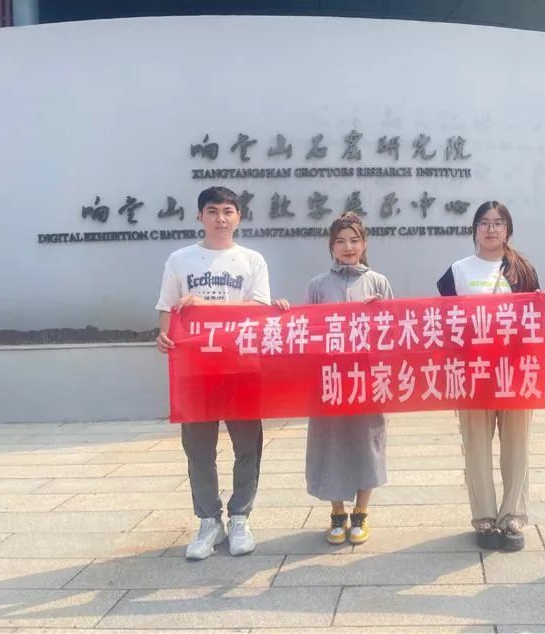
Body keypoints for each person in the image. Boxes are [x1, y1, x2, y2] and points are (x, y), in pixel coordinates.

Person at [155, 185, 287, 560]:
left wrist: (206, 307)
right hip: (195, 372)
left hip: (240, 369)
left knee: (247, 446)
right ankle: (209, 520)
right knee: (199, 449)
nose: (220, 218)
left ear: (239, 217)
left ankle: (240, 516)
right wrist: (165, 336)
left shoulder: (251, 260)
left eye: (228, 211)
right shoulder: (180, 260)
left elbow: (259, 310)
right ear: (200, 216)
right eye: (212, 211)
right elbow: (167, 309)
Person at [437, 200, 540, 551]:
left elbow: (536, 320)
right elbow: (443, 323)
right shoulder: (457, 271)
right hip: (473, 373)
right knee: (476, 446)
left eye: (498, 222)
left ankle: (513, 516)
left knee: (517, 447)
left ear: (508, 229)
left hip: (515, 373)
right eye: (484, 222)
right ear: (475, 229)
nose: (491, 229)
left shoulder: (522, 270)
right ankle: (483, 516)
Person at [304, 211, 394, 545]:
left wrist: (379, 312)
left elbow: (395, 332)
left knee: (367, 444)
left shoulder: (378, 283)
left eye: (354, 240)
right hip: (329, 380)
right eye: (340, 241)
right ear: (331, 246)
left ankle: (361, 513)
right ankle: (337, 513)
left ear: (364, 244)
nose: (348, 247)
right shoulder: (317, 286)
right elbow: (306, 332)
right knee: (330, 444)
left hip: (368, 380)